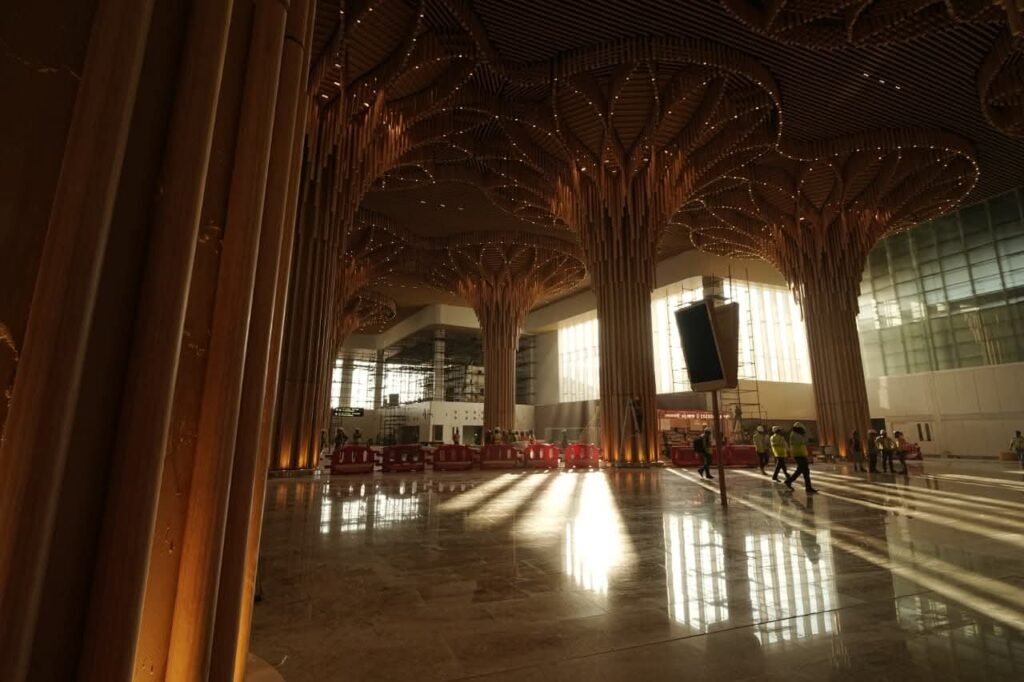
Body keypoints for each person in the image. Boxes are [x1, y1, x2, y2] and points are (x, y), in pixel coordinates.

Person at [784, 422, 817, 494]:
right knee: (804, 471)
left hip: (801, 454)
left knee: (803, 471)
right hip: (798, 454)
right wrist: (804, 435)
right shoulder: (794, 435)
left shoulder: (796, 434)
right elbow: (804, 441)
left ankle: (807, 487)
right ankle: (790, 481)